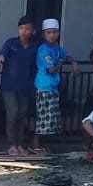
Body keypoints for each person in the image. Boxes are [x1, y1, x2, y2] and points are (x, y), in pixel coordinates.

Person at [32, 19, 79, 153]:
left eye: (54, 32)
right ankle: (35, 144)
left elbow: (67, 55)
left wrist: (74, 62)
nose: (52, 35)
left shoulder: (57, 47)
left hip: (52, 86)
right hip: (43, 87)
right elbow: (52, 69)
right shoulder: (43, 50)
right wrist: (60, 62)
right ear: (44, 34)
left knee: (50, 118)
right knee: (43, 117)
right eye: (49, 32)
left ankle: (41, 145)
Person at [0, 16, 40, 156]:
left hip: (26, 85)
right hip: (9, 85)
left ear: (33, 31)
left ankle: (20, 144)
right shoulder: (11, 43)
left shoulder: (36, 46)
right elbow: (2, 53)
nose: (24, 31)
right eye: (21, 28)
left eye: (27, 29)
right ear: (18, 29)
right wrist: (1, 58)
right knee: (13, 112)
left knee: (23, 114)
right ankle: (11, 143)